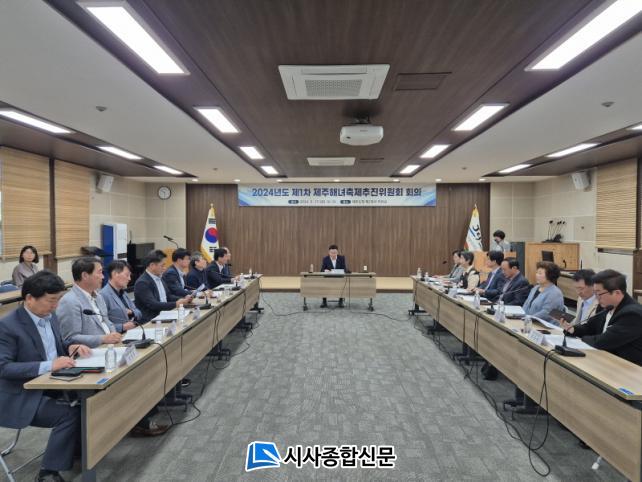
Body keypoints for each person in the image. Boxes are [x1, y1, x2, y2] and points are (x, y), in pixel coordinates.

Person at [0, 271, 91, 482]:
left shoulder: (50, 318)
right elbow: (3, 368)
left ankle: (77, 449)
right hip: (19, 394)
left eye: (58, 300)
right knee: (68, 413)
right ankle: (47, 472)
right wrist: (50, 365)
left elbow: (53, 349)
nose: (55, 306)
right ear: (29, 298)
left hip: (51, 383)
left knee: (91, 399)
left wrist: (71, 347)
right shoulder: (7, 326)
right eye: (51, 300)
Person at [507, 261, 565, 414]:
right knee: (521, 358)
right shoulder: (535, 288)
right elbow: (526, 305)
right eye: (537, 272)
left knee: (531, 362)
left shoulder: (555, 293)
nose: (537, 275)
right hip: (529, 326)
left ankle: (531, 401)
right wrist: (521, 317)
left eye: (540, 273)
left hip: (545, 331)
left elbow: (547, 313)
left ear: (549, 275)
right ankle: (521, 396)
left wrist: (528, 318)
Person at [562, 269, 642, 366]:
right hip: (606, 358)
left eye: (599, 294)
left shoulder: (632, 314)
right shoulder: (606, 305)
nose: (597, 297)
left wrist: (580, 340)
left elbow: (604, 341)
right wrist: (573, 329)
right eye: (595, 293)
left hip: (629, 366)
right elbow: (590, 327)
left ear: (617, 293)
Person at [57, 257, 122, 348]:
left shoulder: (98, 296)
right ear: (85, 275)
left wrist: (114, 335)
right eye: (99, 272)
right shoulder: (69, 301)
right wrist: (102, 339)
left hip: (112, 346)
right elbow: (70, 338)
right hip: (92, 351)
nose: (103, 277)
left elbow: (107, 321)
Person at [134, 250, 192, 322]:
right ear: (152, 265)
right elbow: (153, 304)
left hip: (164, 315)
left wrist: (183, 298)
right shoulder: (142, 283)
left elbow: (168, 296)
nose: (165, 268)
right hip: (151, 320)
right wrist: (176, 304)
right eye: (162, 265)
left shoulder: (159, 277)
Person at [100, 260, 141, 332]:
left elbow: (139, 313)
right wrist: (122, 327)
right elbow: (102, 325)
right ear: (115, 274)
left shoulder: (123, 293)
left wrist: (132, 312)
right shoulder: (103, 295)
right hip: (118, 336)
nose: (129, 279)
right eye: (127, 275)